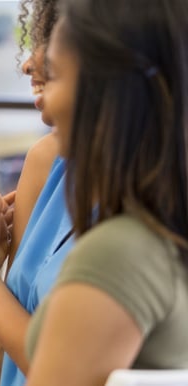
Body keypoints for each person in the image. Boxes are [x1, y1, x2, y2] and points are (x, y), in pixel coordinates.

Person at [21, 0, 188, 383]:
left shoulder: (121, 254)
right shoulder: (162, 234)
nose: (43, 101)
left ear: (108, 94)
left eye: (57, 77)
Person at [0, 1, 69, 385]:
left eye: (53, 39)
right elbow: (3, 341)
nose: (28, 63)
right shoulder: (46, 160)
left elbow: (56, 368)